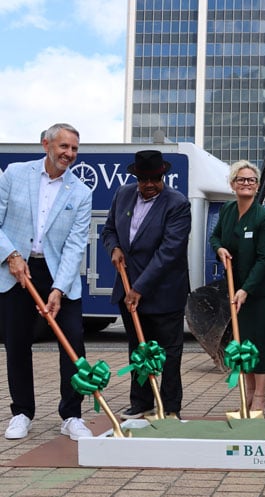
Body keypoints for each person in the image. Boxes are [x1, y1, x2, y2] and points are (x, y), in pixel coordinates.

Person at [0, 123, 93, 440]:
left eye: (75, 149)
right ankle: (22, 412)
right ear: (46, 145)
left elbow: (75, 245)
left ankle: (71, 415)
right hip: (17, 270)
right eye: (64, 147)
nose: (69, 154)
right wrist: (11, 255)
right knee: (17, 342)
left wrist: (58, 289)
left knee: (73, 345)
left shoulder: (81, 192)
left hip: (58, 274)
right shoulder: (14, 174)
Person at [102, 150, 191, 419]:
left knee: (169, 352)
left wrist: (139, 288)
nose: (149, 184)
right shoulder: (123, 195)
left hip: (163, 291)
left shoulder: (177, 203)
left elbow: (169, 252)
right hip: (127, 289)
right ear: (136, 177)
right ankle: (141, 403)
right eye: (144, 179)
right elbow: (108, 230)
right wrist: (114, 248)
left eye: (155, 179)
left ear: (163, 175)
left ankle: (171, 407)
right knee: (138, 350)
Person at [211, 161, 265, 415]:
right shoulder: (228, 210)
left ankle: (261, 396)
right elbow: (216, 236)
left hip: (263, 288)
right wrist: (219, 248)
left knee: (261, 339)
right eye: (241, 180)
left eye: (252, 180)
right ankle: (249, 391)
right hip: (238, 286)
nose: (247, 184)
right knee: (243, 339)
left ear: (257, 186)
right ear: (232, 185)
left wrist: (246, 290)